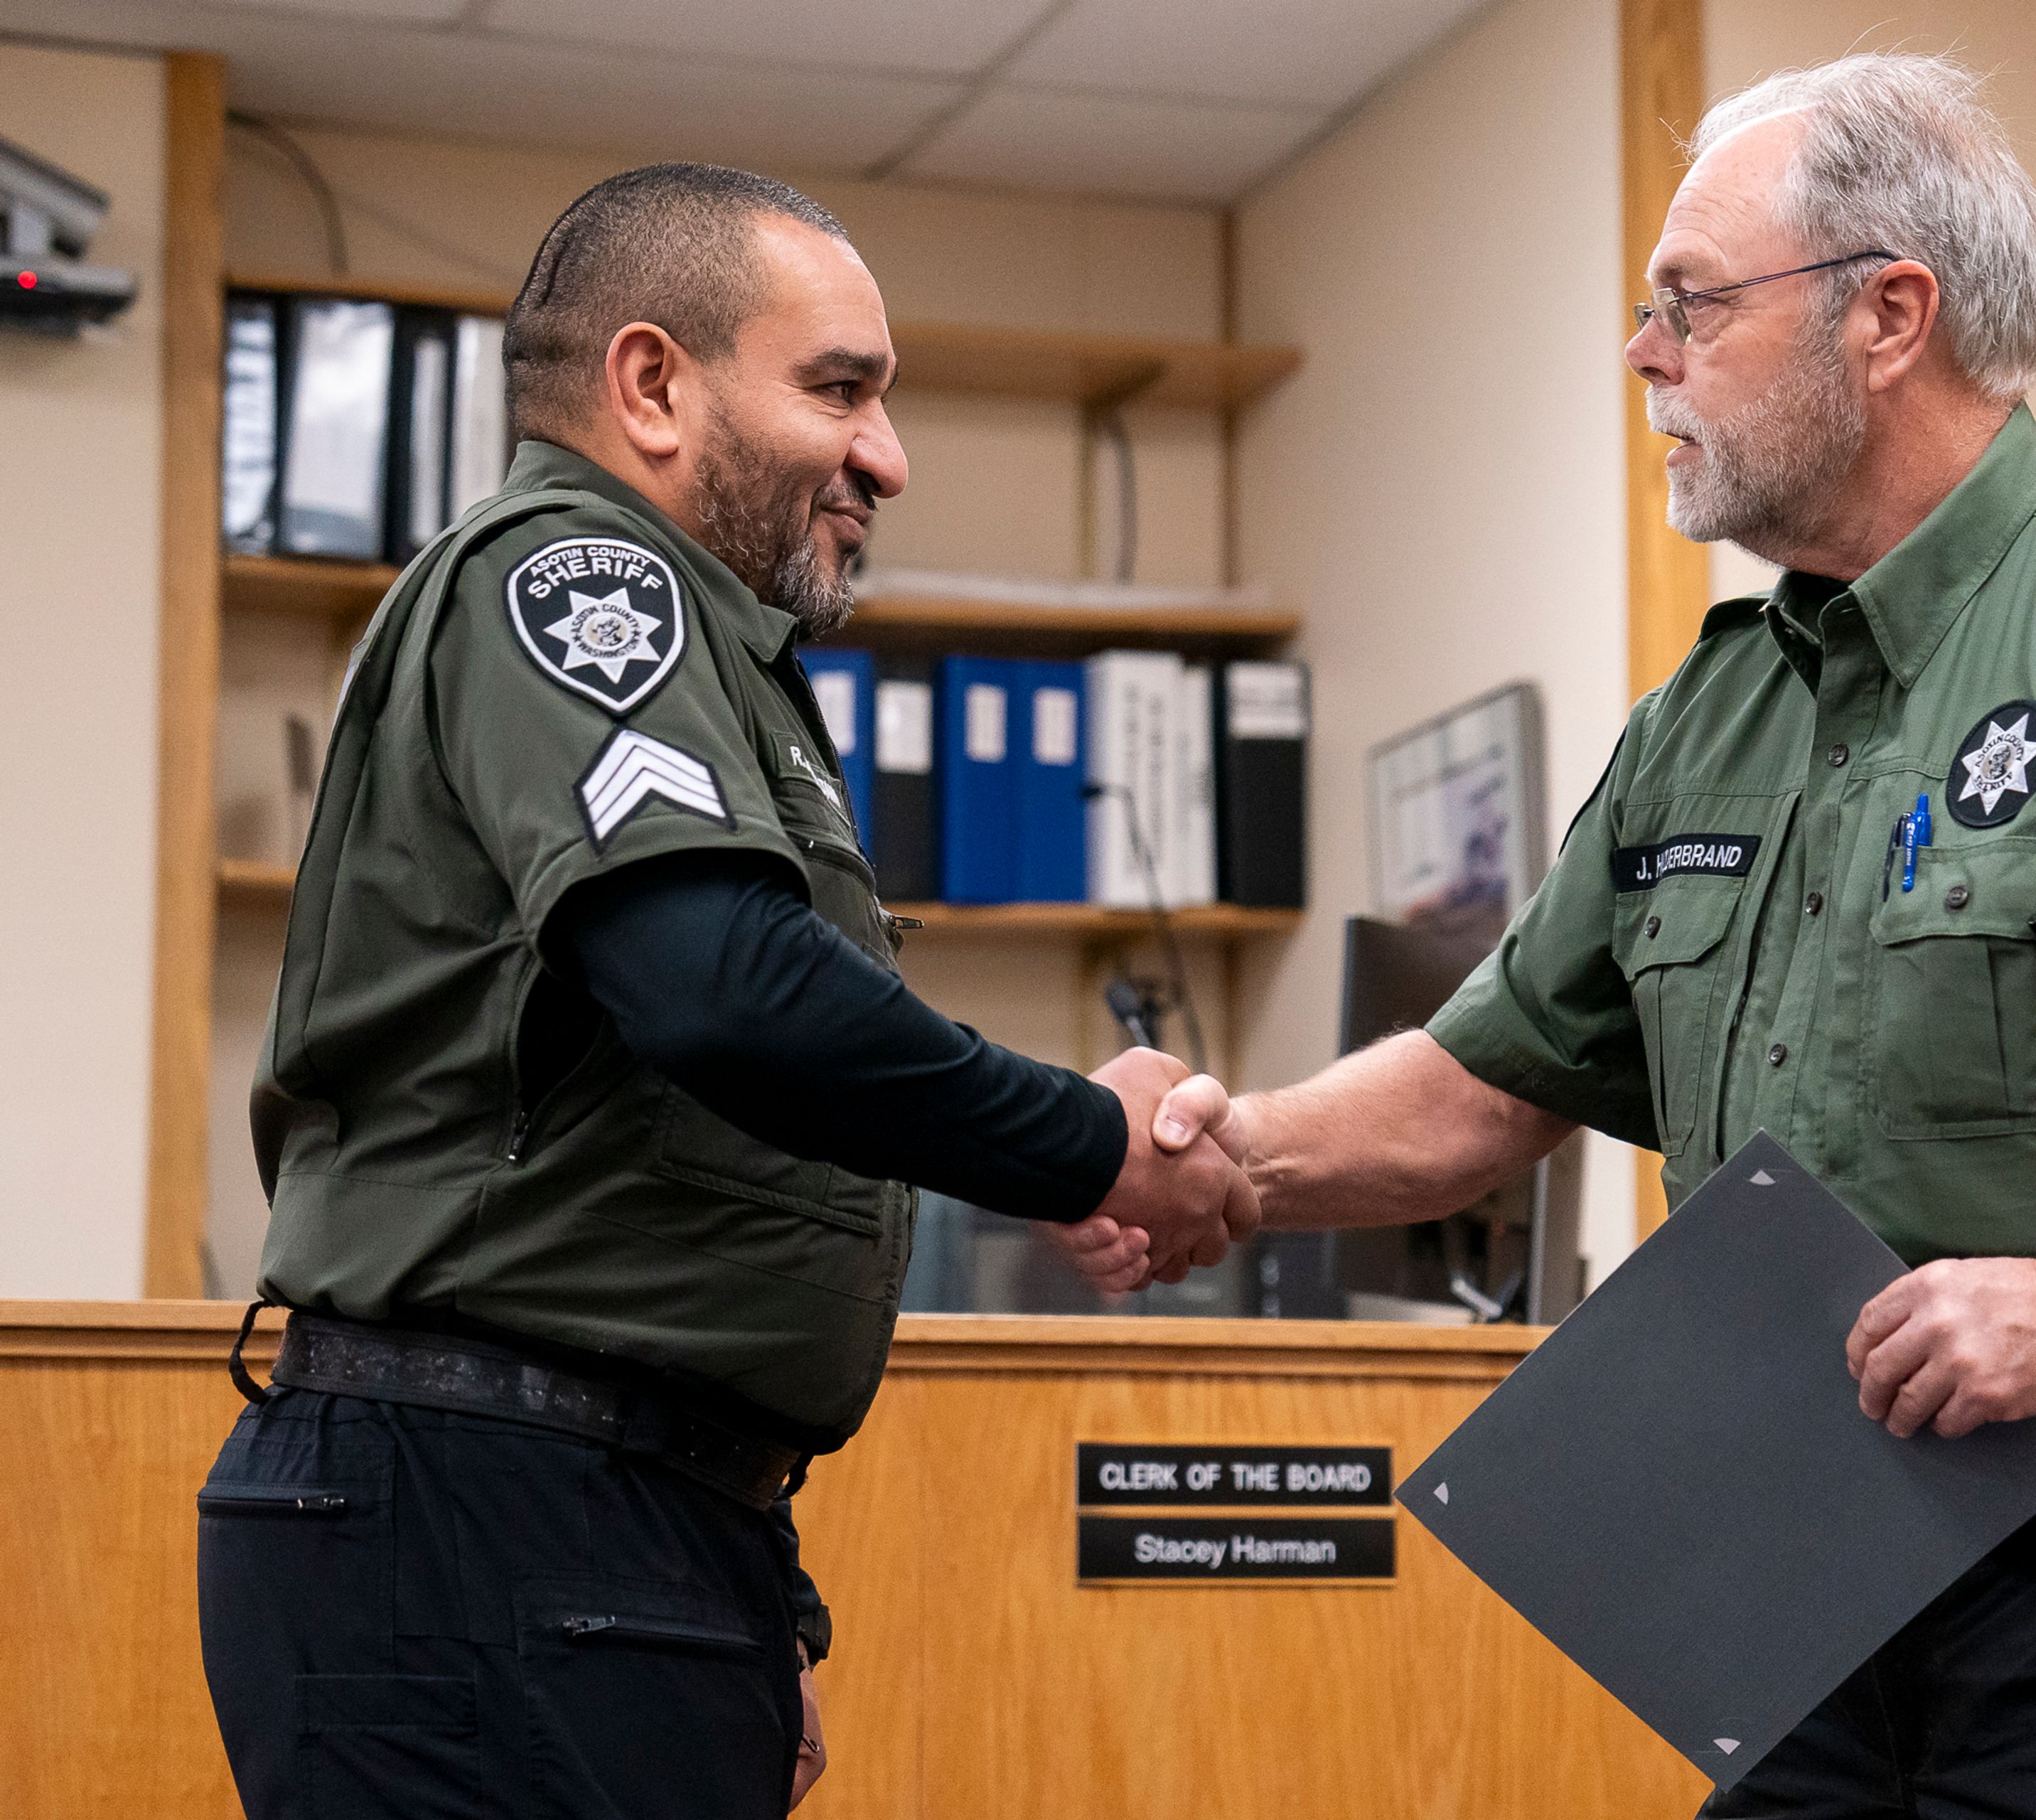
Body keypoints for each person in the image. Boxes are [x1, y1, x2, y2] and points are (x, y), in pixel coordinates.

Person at [1060, 53, 2036, 1819]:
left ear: (1890, 314)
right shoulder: (1713, 715)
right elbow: (1485, 1084)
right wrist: (1212, 1150)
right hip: (1810, 1578)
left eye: (1691, 306)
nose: (1645, 356)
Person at [198, 163, 1255, 1819]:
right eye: (840, 390)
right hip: (488, 1518)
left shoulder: (722, 662)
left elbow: (694, 1146)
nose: (887, 457)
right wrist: (1087, 1142)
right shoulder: (568, 580)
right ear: (651, 384)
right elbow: (725, 992)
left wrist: (761, 1580)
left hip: (609, 1518)